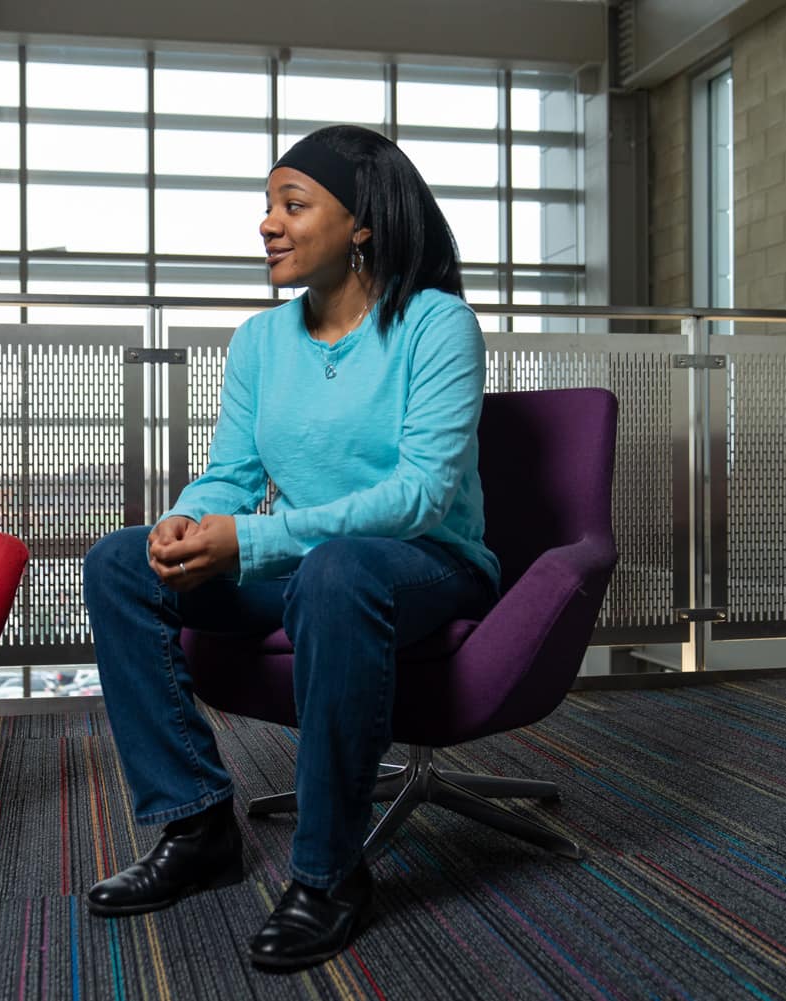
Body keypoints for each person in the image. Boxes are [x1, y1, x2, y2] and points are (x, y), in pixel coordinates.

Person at [82, 125, 501, 973]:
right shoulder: (261, 340)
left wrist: (256, 538)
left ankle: (328, 872)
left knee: (337, 570)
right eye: (266, 206)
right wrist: (188, 521)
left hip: (422, 562)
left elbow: (419, 493)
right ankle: (196, 825)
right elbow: (230, 474)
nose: (267, 224)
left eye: (292, 204)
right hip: (306, 569)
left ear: (362, 223)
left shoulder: (436, 323)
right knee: (121, 559)